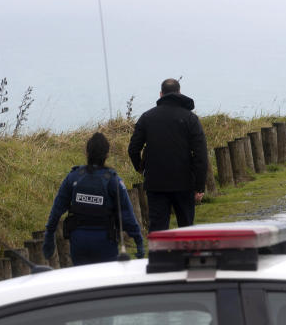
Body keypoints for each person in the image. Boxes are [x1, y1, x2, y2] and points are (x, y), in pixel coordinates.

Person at [42, 132, 144, 266]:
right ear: (107, 154)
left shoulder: (74, 177)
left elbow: (57, 209)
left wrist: (49, 235)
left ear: (87, 152)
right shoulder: (113, 180)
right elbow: (127, 214)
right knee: (105, 281)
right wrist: (138, 240)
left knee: (83, 280)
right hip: (105, 241)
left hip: (78, 241)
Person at [127, 78, 208, 232]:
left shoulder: (147, 117)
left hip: (156, 184)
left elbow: (133, 149)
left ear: (160, 94)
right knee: (187, 229)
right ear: (179, 92)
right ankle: (187, 256)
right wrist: (199, 186)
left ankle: (159, 256)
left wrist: (141, 170)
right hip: (184, 183)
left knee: (158, 230)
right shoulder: (190, 118)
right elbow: (201, 155)